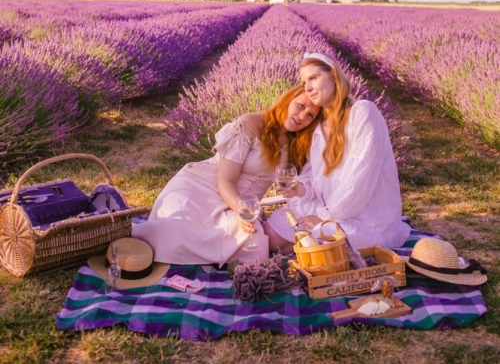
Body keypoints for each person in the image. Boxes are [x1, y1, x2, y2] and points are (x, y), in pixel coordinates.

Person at [132, 85, 321, 266]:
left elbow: (306, 179)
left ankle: (189, 252)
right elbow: (226, 180)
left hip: (237, 204)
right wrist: (242, 212)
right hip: (203, 187)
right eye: (301, 106)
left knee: (255, 245)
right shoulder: (252, 123)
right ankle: (129, 237)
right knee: (179, 227)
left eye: (310, 115)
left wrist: (296, 190)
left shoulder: (296, 144)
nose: (302, 115)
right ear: (288, 100)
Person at [265, 52, 410, 251]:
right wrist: (300, 189)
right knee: (272, 233)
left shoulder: (362, 112)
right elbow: (314, 175)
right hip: (331, 209)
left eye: (313, 78)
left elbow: (361, 181)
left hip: (366, 217)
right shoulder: (319, 130)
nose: (307, 87)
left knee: (315, 242)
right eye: (304, 81)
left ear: (333, 76)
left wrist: (324, 219)